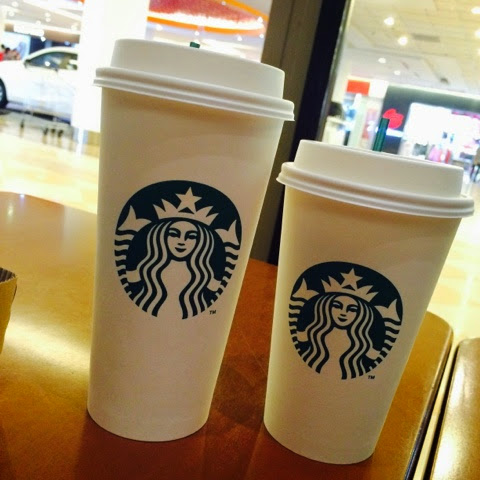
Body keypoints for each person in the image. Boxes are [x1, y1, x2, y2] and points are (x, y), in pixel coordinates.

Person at [296, 292, 380, 379]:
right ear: (327, 307)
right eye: (337, 306)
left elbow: (377, 365)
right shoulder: (313, 332)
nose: (343, 313)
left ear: (360, 314)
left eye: (352, 309)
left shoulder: (364, 342)